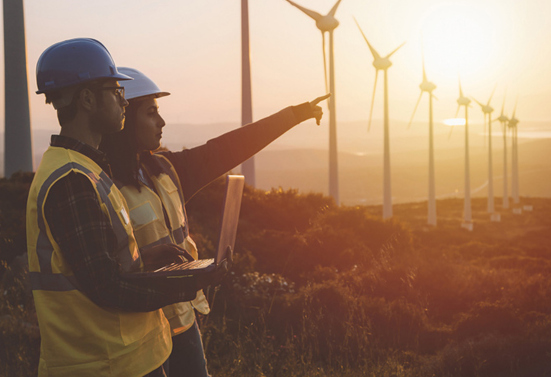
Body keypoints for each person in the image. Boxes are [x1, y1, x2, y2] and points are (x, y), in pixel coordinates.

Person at [98, 67, 329, 376]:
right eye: (151, 113)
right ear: (125, 119)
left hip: (184, 321)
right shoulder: (102, 186)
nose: (162, 122)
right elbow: (105, 271)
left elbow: (227, 148)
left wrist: (292, 115)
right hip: (141, 331)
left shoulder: (166, 170)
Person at [26, 38, 217, 377]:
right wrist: (186, 283)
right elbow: (106, 287)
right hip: (105, 364)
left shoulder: (87, 169)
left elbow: (99, 265)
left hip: (127, 357)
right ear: (87, 99)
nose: (123, 102)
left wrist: (147, 260)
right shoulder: (72, 181)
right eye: (115, 91)